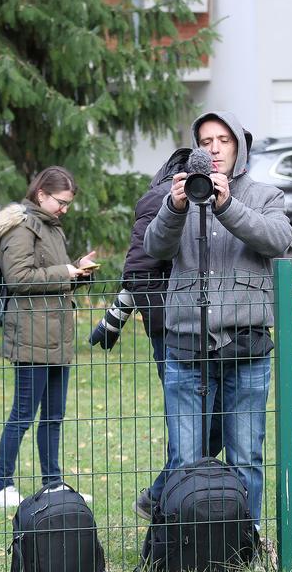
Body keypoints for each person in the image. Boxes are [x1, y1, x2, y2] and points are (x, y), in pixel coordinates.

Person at [143, 111, 292, 524]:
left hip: (246, 346)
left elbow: (278, 240)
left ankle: (248, 535)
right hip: (187, 344)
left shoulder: (264, 195)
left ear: (238, 147)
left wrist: (226, 205)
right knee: (184, 456)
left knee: (246, 453)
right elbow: (154, 246)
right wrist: (174, 208)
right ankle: (181, 539)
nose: (213, 148)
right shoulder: (181, 194)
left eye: (223, 140)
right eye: (206, 141)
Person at [90, 147, 224, 521]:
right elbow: (138, 270)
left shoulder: (215, 201)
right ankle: (169, 506)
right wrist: (168, 316)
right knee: (192, 428)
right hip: (173, 330)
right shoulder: (158, 201)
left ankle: (165, 497)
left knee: (215, 424)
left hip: (213, 325)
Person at [0, 166, 99, 509]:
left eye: (68, 204)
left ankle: (52, 483)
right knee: (23, 413)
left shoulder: (50, 227)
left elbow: (50, 278)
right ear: (41, 194)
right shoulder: (21, 228)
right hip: (31, 336)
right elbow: (18, 278)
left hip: (56, 335)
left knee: (53, 415)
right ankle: (3, 486)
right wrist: (65, 271)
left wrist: (78, 271)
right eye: (61, 202)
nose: (65, 208)